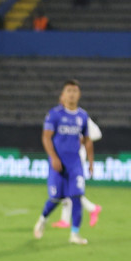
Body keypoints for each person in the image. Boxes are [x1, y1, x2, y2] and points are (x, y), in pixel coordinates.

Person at [33, 79, 93, 245]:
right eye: (69, 91)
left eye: (75, 91)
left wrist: (91, 162)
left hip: (75, 164)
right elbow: (46, 137)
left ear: (79, 94)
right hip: (57, 164)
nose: (72, 94)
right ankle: (42, 219)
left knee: (76, 196)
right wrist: (53, 157)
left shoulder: (82, 115)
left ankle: (75, 234)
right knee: (56, 197)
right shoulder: (55, 114)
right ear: (63, 95)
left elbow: (87, 140)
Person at [52, 116, 102, 228]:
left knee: (69, 188)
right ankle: (65, 220)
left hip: (76, 156)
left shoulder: (81, 117)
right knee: (66, 187)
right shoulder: (62, 115)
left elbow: (97, 134)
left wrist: (83, 139)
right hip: (65, 155)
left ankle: (93, 209)